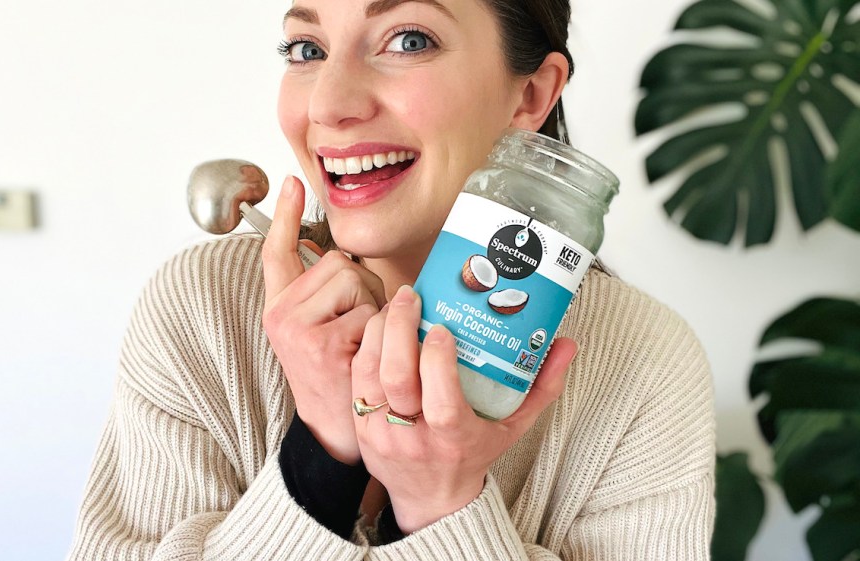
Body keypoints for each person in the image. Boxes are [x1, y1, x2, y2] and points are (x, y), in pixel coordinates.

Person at [66, 0, 716, 559]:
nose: (329, 104)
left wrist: (440, 504)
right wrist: (319, 460)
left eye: (408, 40)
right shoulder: (202, 308)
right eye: (307, 49)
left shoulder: (642, 358)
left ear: (531, 95)